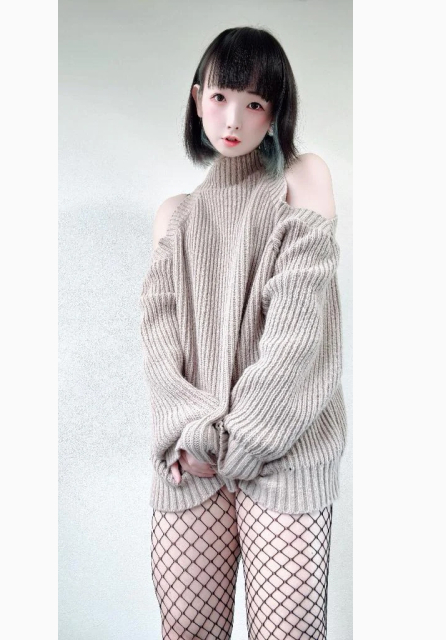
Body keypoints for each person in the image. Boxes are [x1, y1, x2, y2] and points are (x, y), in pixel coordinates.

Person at [139, 26, 347, 640]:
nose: (233, 118)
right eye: (221, 97)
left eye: (255, 103)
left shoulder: (301, 178)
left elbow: (297, 329)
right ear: (197, 98)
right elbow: (159, 339)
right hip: (192, 459)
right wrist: (191, 435)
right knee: (187, 632)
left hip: (282, 454)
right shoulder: (174, 215)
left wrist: (241, 439)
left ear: (275, 112)